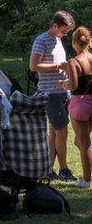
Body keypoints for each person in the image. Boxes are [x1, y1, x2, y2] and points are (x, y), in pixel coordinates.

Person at [31, 10, 76, 182]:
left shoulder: (58, 40)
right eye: (64, 30)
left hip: (63, 92)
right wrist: (59, 66)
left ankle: (48, 169)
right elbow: (34, 66)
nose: (65, 34)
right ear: (55, 25)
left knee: (54, 133)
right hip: (51, 94)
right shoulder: (41, 40)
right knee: (62, 132)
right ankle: (64, 169)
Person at [58, 26, 92, 188]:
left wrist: (62, 84)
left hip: (80, 104)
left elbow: (73, 85)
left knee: (83, 143)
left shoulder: (73, 61)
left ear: (74, 43)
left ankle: (86, 180)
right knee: (82, 143)